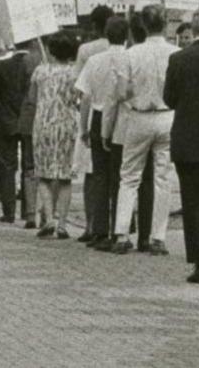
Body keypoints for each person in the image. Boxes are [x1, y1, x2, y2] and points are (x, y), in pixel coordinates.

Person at [109, 4, 177, 256]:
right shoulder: (175, 52)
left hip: (138, 116)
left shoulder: (130, 54)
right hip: (167, 116)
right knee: (162, 178)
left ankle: (121, 233)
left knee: (128, 177)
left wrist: (132, 97)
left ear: (143, 26)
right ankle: (157, 237)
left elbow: (121, 92)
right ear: (166, 23)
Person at [164, 8, 199, 282]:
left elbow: (169, 100)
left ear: (194, 31)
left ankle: (198, 261)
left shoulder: (177, 59)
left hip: (186, 140)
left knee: (192, 202)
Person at [74, 16, 129, 251]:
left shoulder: (95, 60)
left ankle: (99, 229)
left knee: (99, 175)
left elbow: (84, 95)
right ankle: (120, 229)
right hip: (124, 119)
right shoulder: (130, 58)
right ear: (127, 36)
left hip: (97, 115)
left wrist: (84, 127)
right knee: (120, 174)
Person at [29, 31, 79, 239]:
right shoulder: (75, 73)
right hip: (67, 124)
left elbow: (32, 97)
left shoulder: (40, 71)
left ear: (50, 50)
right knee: (65, 176)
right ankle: (63, 223)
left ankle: (48, 218)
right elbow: (79, 97)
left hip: (43, 124)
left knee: (44, 174)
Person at [0, 39, 40, 226]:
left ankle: (8, 211)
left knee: (7, 166)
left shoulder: (2, 65)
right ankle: (29, 211)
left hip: (8, 120)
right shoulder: (37, 66)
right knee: (30, 166)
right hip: (29, 120)